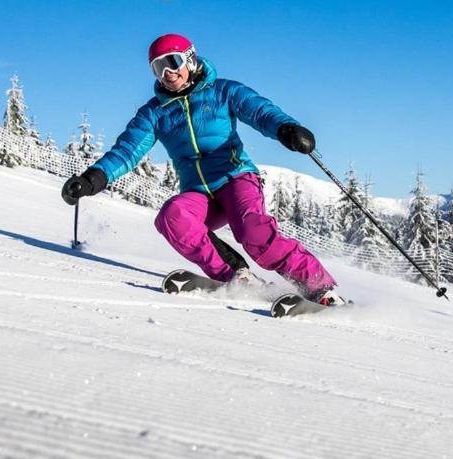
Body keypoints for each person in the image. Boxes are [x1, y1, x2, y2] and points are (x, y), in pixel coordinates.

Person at [61, 33, 344, 305]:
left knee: (254, 234)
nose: (167, 73)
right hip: (199, 193)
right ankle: (237, 277)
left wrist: (286, 129)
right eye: (157, 68)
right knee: (172, 216)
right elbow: (127, 151)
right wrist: (92, 179)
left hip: (235, 178)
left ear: (190, 59)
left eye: (172, 62)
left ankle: (321, 289)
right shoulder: (154, 113)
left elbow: (259, 112)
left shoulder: (223, 91)